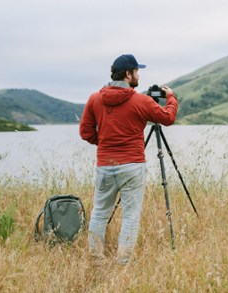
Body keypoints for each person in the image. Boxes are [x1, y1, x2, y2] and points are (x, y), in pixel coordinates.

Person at [79, 54, 178, 265]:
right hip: (132, 166)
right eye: (136, 71)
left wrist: (106, 142)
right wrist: (171, 98)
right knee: (130, 216)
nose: (138, 75)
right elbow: (168, 118)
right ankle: (123, 263)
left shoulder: (94, 99)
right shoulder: (141, 100)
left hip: (105, 165)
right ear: (127, 74)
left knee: (99, 213)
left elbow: (86, 132)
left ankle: (95, 260)